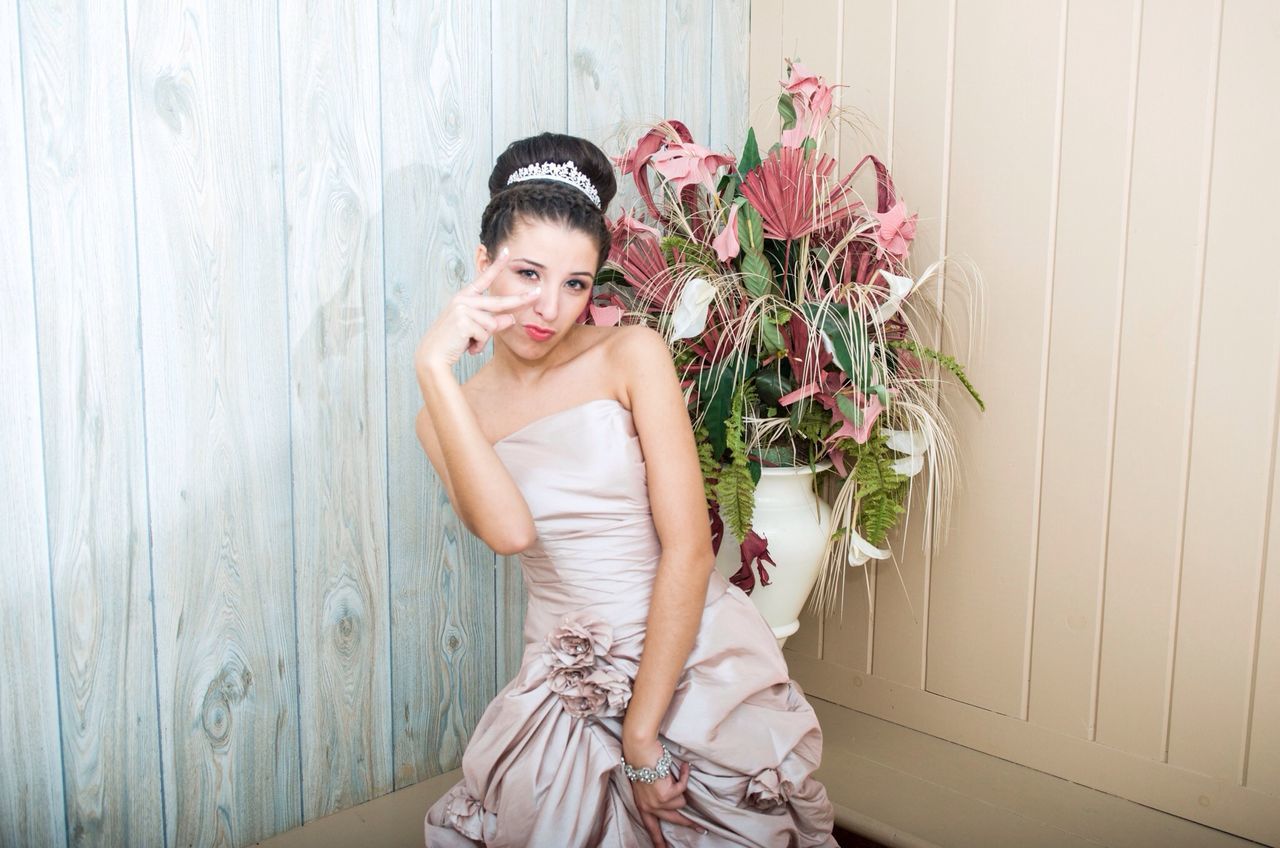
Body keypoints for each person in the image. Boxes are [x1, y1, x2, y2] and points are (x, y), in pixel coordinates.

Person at [415, 132, 839, 847]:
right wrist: (433, 366)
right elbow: (512, 534)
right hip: (565, 683)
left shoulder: (630, 354)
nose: (548, 307)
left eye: (575, 284)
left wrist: (642, 735)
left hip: (687, 655)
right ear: (481, 265)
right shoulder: (445, 418)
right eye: (525, 273)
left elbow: (689, 549)